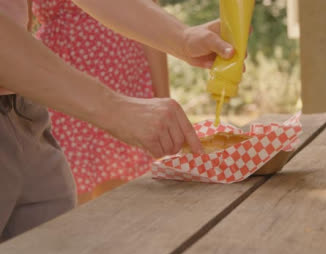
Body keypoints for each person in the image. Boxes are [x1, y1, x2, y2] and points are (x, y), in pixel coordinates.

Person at [0, 0, 236, 240]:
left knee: (59, 247)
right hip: (46, 95)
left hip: (25, 110)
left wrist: (182, 37)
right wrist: (115, 109)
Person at [30, 0, 171, 203]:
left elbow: (151, 22)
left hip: (124, 83)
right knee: (68, 190)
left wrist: (162, 101)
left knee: (125, 196)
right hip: (62, 88)